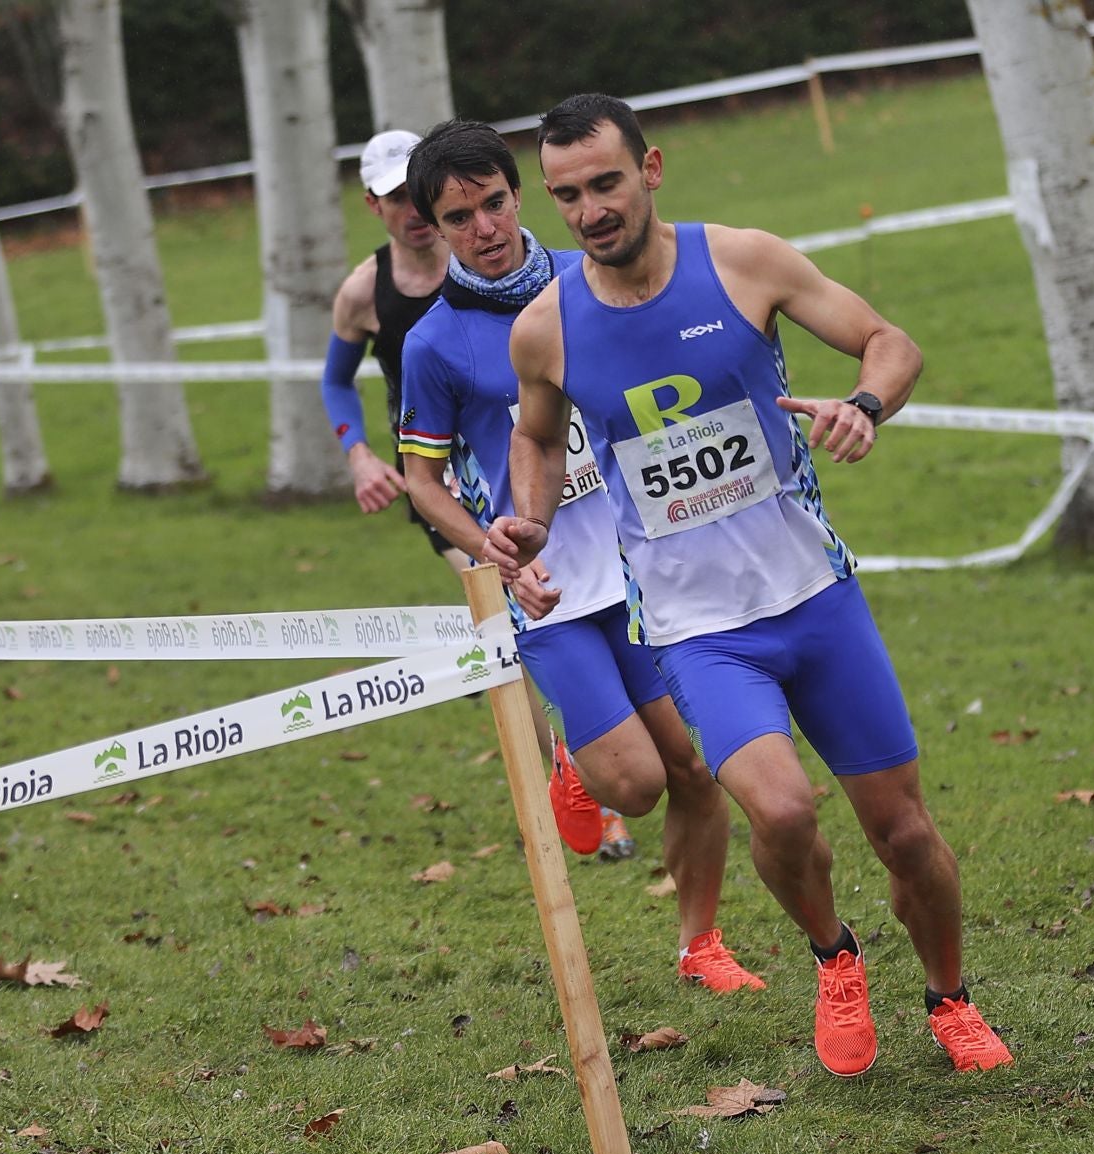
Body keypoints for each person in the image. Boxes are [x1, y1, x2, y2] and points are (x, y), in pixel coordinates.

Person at [481, 94, 1013, 1075]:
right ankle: (835, 955)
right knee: (783, 811)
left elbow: (890, 342)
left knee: (904, 833)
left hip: (814, 598)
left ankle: (950, 997)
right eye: (568, 195)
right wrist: (531, 524)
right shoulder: (545, 327)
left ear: (651, 168)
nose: (592, 210)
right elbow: (538, 438)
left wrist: (863, 406)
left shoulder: (743, 261)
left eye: (607, 183)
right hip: (697, 630)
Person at [393, 119, 762, 993]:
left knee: (696, 770)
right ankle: (574, 757)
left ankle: (700, 943)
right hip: (547, 587)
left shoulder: (591, 279)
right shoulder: (434, 343)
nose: (484, 229)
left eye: (493, 203)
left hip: (644, 570)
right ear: (432, 228)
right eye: (458, 218)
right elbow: (422, 481)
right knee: (634, 787)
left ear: (520, 194)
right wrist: (491, 548)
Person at [321, 129, 627, 859]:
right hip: (456, 486)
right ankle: (576, 766)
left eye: (416, 196)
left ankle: (590, 755)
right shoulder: (367, 292)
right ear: (376, 206)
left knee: (555, 622)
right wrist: (359, 455)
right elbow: (334, 381)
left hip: (557, 472)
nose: (411, 213)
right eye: (395, 199)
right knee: (514, 620)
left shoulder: (529, 266)